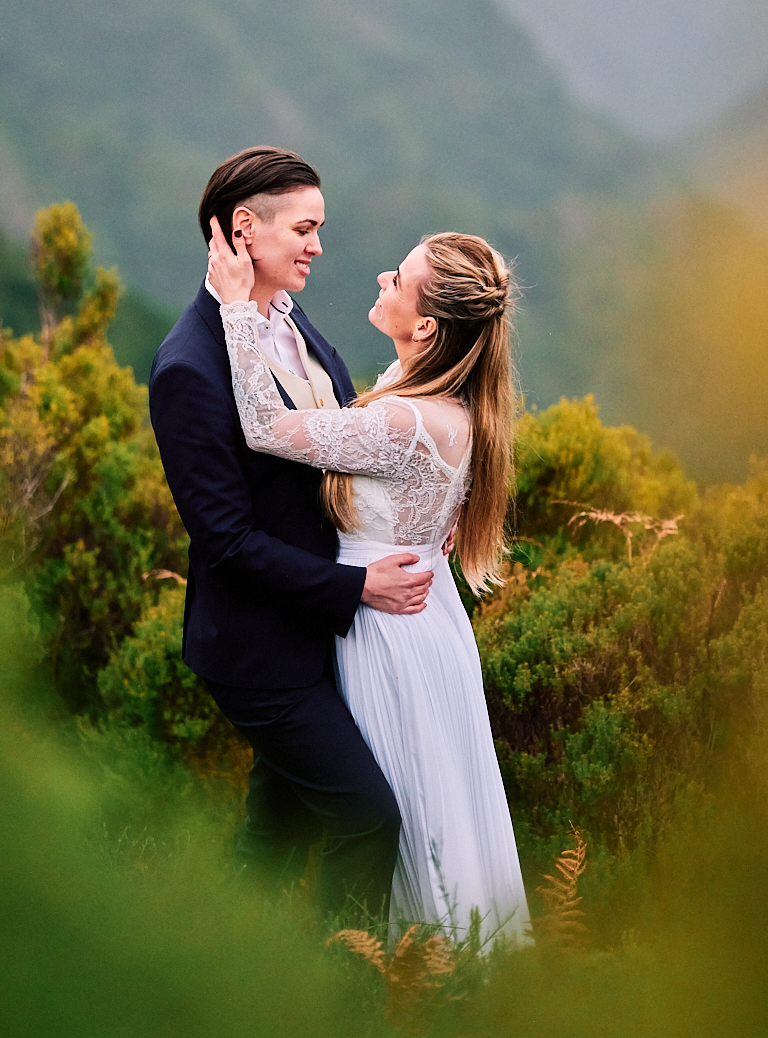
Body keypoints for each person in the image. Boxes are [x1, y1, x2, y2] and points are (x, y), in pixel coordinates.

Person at [207, 215, 531, 949]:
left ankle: (371, 990)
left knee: (396, 819)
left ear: (423, 326)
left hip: (383, 633)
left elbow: (263, 427)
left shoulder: (407, 422)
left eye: (400, 277)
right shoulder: (438, 400)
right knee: (379, 807)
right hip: (413, 612)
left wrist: (234, 306)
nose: (383, 278)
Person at [147, 147, 434, 923]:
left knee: (277, 830)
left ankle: (231, 985)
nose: (317, 247)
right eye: (304, 229)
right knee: (367, 817)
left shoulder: (285, 315)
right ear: (246, 228)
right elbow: (226, 542)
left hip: (316, 633)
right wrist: (357, 586)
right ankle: (341, 999)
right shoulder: (188, 368)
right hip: (260, 651)